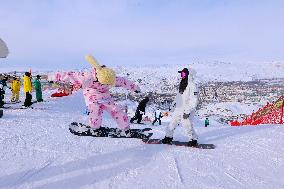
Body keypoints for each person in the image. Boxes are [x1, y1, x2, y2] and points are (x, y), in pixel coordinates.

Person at [49, 55, 140, 135]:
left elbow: (124, 81)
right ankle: (94, 127)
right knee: (95, 109)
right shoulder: (87, 78)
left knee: (116, 110)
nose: (108, 85)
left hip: (105, 96)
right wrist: (52, 77)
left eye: (109, 84)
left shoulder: (111, 77)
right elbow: (69, 75)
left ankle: (125, 128)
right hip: (92, 96)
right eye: (105, 84)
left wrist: (135, 88)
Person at [162, 67, 199, 147]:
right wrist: (173, 106)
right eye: (181, 74)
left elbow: (194, 100)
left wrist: (187, 111)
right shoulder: (182, 84)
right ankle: (168, 136)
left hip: (186, 109)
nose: (182, 76)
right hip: (178, 108)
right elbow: (178, 97)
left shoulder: (192, 85)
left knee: (187, 124)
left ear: (189, 75)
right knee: (172, 123)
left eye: (183, 74)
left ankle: (193, 139)